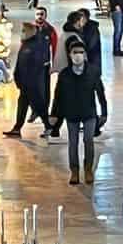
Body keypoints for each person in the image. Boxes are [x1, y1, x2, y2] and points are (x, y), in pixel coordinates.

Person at [49, 37, 99, 184]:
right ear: (70, 54)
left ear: (84, 54)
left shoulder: (92, 72)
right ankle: (75, 171)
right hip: (71, 113)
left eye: (81, 52)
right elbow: (58, 95)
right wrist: (54, 114)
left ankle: (88, 169)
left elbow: (100, 92)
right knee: (73, 142)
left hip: (89, 112)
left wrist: (104, 112)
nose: (78, 55)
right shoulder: (64, 74)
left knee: (89, 140)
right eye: (74, 52)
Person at [4, 23, 50, 137]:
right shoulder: (26, 44)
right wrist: (17, 77)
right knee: (23, 104)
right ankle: (17, 128)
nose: (22, 32)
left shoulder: (38, 45)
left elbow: (39, 64)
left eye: (24, 30)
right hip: (25, 83)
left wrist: (31, 81)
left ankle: (48, 126)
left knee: (38, 105)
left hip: (32, 83)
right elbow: (20, 62)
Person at [76, 7, 108, 133]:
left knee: (97, 92)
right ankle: (92, 120)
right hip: (85, 68)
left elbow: (90, 47)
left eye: (81, 17)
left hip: (92, 68)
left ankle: (100, 118)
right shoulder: (80, 29)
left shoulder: (92, 30)